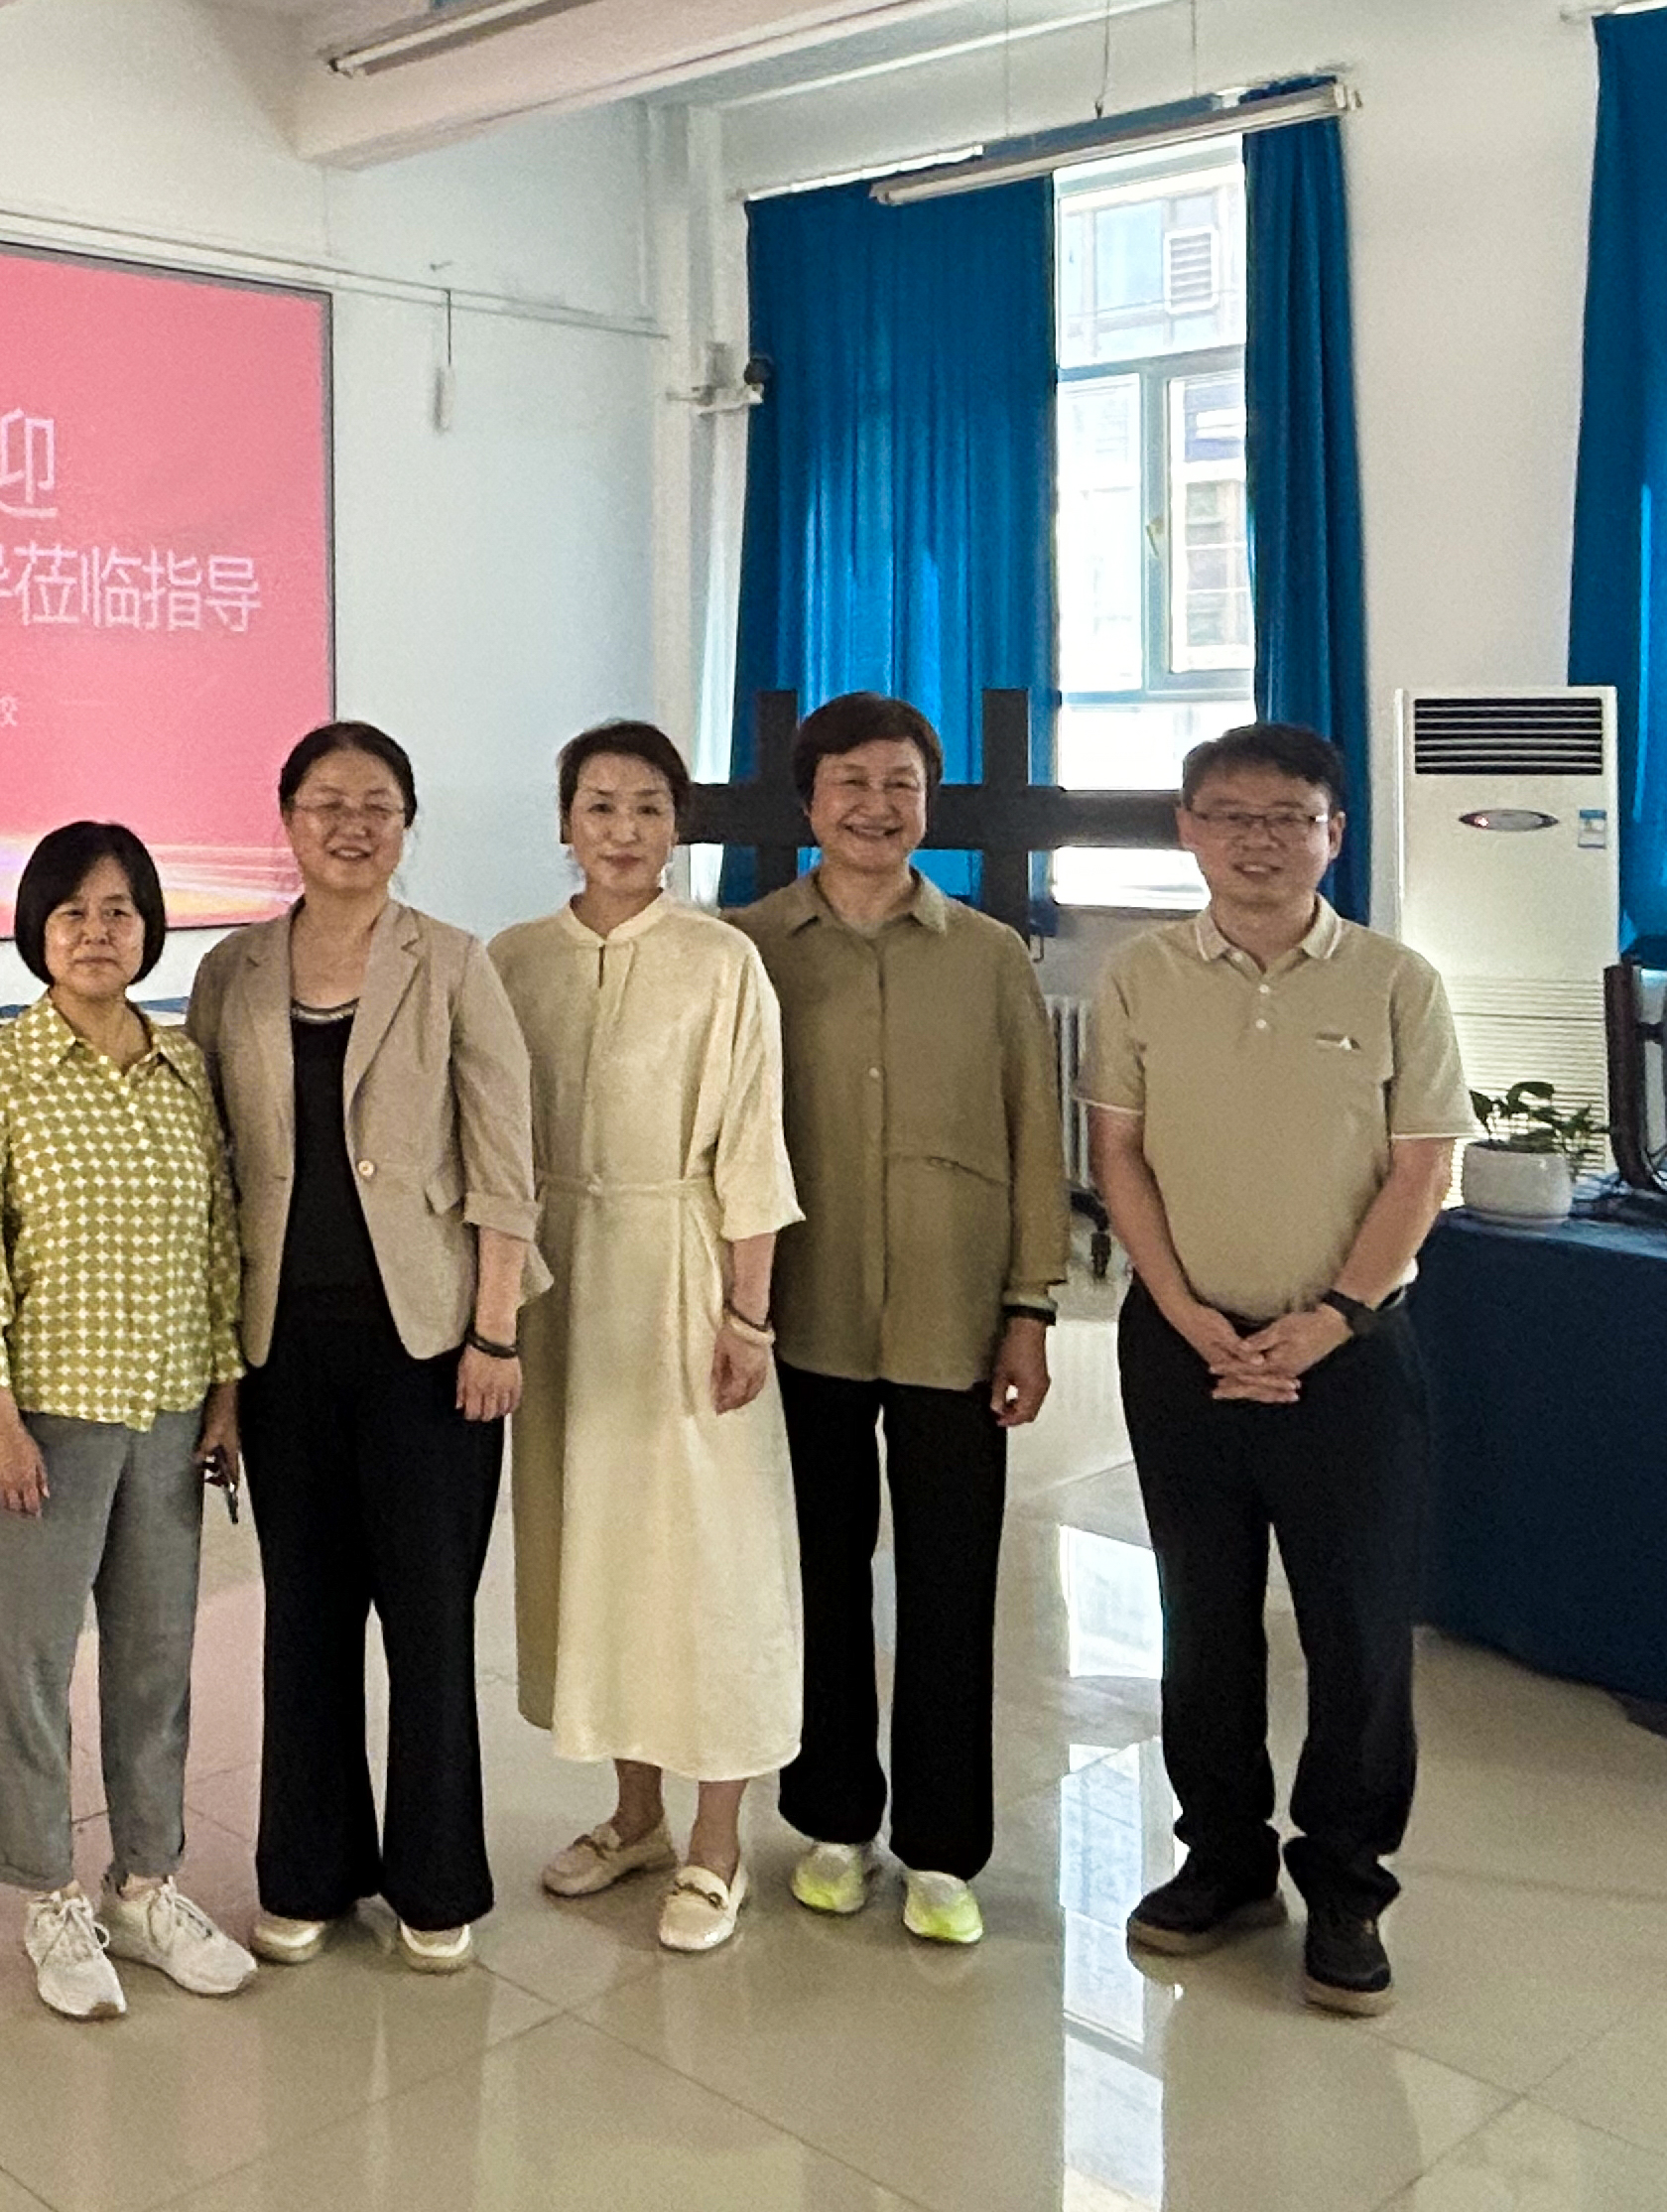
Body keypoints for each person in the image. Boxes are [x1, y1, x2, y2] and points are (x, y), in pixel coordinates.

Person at [1085, 721, 1469, 2017]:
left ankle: (1348, 1885)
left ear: (1332, 835)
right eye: (1230, 815)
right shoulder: (1139, 975)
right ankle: (1225, 1859)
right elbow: (1119, 1153)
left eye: (1287, 817)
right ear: (1188, 830)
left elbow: (1423, 1167)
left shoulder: (1395, 980)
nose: (1258, 840)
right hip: (1184, 1348)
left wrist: (1334, 1316)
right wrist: (1187, 1314)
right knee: (1201, 1616)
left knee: (1357, 1629)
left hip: (1348, 1358)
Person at [184, 721, 538, 1975]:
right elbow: (212, 1174)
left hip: (430, 1348)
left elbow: (505, 1162)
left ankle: (436, 1879)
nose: (351, 825)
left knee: (429, 1621)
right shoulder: (230, 970)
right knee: (306, 1616)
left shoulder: (452, 962)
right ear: (286, 818)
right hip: (284, 1349)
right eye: (326, 803)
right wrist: (221, 1376)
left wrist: (495, 1327)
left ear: (405, 824)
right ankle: (308, 1870)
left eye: (377, 804)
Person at [727, 693, 1067, 1949]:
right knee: (816, 1576)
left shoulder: (987, 954)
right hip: (799, 1316)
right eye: (851, 784)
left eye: (901, 786)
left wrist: (1029, 1307)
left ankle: (940, 1847)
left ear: (929, 804)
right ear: (808, 802)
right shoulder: (749, 950)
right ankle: (830, 1818)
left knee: (950, 1585)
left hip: (953, 1315)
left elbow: (1036, 1134)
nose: (876, 808)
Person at [0, 823, 258, 2021]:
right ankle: (48, 1893)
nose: (97, 933)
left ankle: (146, 1883)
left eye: (119, 911)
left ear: (148, 927)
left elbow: (218, 1244)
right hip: (41, 1424)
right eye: (72, 913)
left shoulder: (184, 1069)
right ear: (37, 932)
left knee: (156, 1661)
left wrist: (223, 1392)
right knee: (31, 1667)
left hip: (167, 1413)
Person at [490, 720, 802, 1956]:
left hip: (682, 1269)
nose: (623, 831)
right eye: (599, 806)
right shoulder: (514, 960)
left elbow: (753, 1147)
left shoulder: (720, 961)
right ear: (563, 822)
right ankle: (634, 1816)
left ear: (678, 826)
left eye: (648, 808)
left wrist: (747, 1314)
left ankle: (717, 1841)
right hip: (554, 1282)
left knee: (705, 1554)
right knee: (597, 1552)